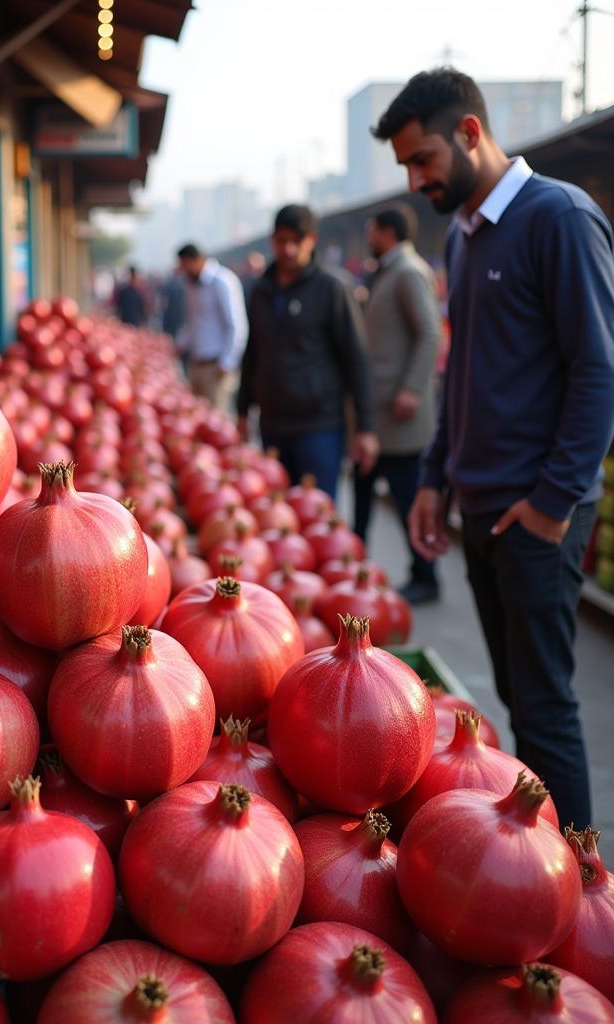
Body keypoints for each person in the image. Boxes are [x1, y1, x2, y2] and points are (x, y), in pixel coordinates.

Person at [373, 68, 614, 829]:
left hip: (535, 514)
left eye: (424, 160)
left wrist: (551, 505)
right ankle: (538, 865)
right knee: (515, 696)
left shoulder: (559, 218)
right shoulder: (464, 237)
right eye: (407, 166)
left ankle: (581, 886)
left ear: (470, 133)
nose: (416, 181)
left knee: (544, 707)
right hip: (479, 504)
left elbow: (599, 369)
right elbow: (462, 372)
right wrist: (434, 480)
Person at [236, 204, 379, 499]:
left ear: (311, 239)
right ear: (272, 239)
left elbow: (356, 358)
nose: (287, 249)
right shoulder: (260, 291)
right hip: (272, 425)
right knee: (277, 514)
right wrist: (242, 409)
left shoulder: (331, 289)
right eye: (280, 240)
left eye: (295, 241)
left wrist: (365, 427)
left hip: (319, 428)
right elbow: (253, 352)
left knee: (317, 513)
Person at [354, 205, 443, 604]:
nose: (368, 235)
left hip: (401, 416)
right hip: (377, 415)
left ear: (386, 231)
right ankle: (355, 573)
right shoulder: (387, 270)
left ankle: (425, 575)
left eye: (372, 229)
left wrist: (412, 387)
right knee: (362, 494)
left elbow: (429, 332)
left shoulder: (408, 272)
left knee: (410, 498)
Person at [175, 243, 248, 412]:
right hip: (196, 363)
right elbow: (191, 321)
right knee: (197, 416)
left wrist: (227, 362)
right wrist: (181, 343)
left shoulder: (223, 281)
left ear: (197, 260)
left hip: (216, 366)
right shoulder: (190, 285)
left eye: (186, 266)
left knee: (216, 419)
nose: (184, 271)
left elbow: (236, 325)